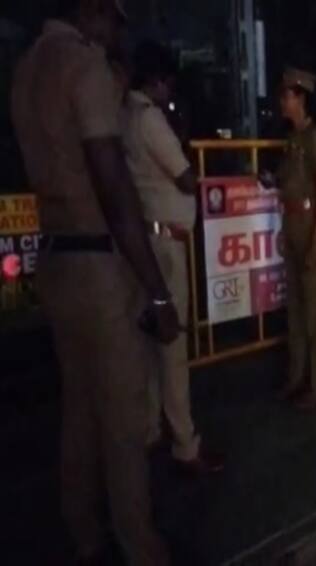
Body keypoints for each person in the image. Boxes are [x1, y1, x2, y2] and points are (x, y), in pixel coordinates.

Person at [11, 1, 176, 564]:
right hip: (99, 264)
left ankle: (83, 533)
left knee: (78, 410)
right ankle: (140, 547)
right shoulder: (85, 69)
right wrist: (156, 289)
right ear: (91, 11)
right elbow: (113, 186)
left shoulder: (27, 66)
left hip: (56, 259)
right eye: (114, 18)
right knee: (123, 419)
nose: (116, 32)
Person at [122, 40, 224, 474]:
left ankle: (149, 429)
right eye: (169, 85)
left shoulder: (123, 114)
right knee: (172, 345)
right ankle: (185, 442)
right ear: (158, 81)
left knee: (145, 344)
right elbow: (185, 178)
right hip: (165, 246)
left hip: (141, 242)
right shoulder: (149, 119)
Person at [276, 68, 316, 411]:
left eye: (287, 96)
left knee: (313, 315)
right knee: (295, 312)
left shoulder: (315, 137)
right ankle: (296, 378)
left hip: (312, 225)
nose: (282, 101)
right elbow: (287, 185)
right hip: (294, 222)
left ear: (301, 98)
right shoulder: (292, 139)